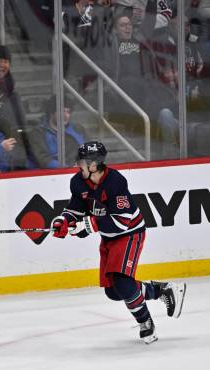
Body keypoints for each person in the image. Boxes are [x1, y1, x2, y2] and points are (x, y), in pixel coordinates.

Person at [51, 140, 187, 344]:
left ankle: (146, 322)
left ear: (94, 165)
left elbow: (122, 222)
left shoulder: (115, 182)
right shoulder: (78, 182)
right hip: (109, 238)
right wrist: (64, 220)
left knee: (122, 283)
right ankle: (161, 290)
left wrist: (87, 226)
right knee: (113, 291)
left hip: (129, 234)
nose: (78, 165)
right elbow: (76, 208)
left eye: (82, 162)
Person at [27, 94, 85, 169]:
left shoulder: (78, 129)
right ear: (51, 112)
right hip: (47, 176)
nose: (66, 115)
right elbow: (43, 159)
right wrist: (66, 169)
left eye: (68, 112)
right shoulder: (38, 133)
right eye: (62, 111)